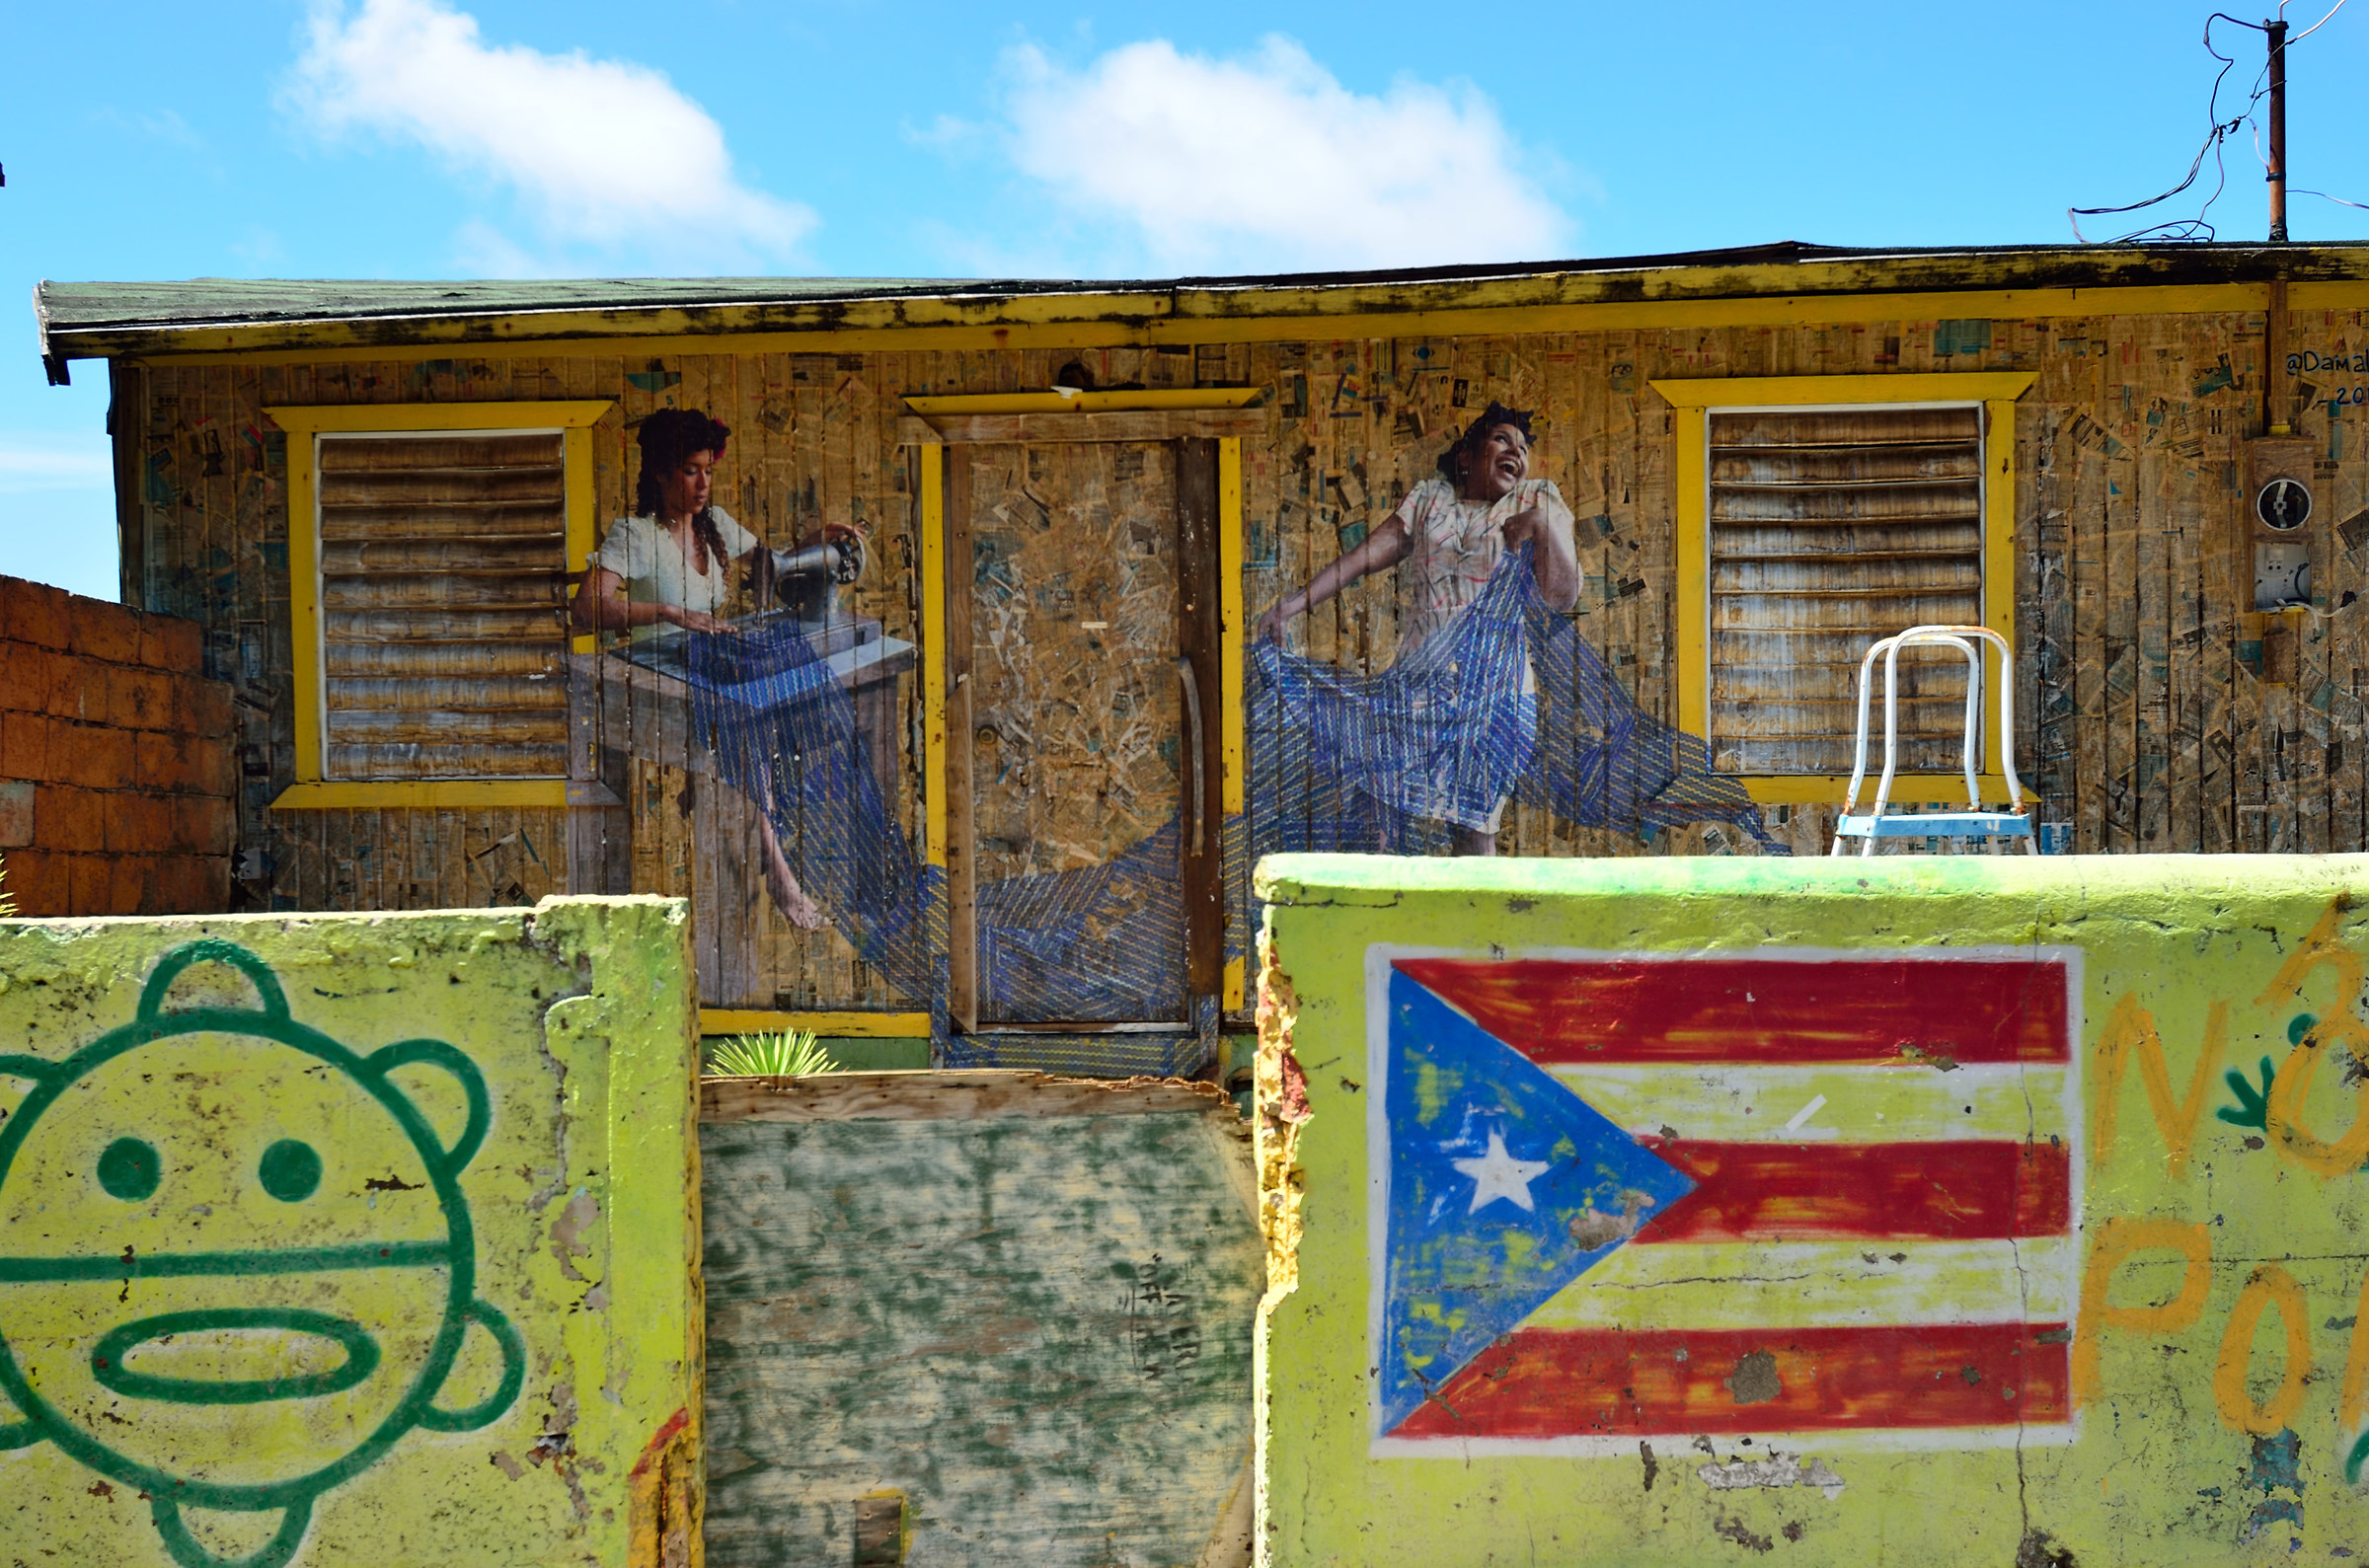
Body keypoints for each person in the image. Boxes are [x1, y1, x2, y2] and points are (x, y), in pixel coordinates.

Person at [1254, 402, 1582, 854]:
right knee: (1377, 824)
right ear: (1466, 455)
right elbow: (1363, 558)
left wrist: (1542, 526)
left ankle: (1478, 926)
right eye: (1502, 439)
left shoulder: (1537, 499)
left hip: (1494, 698)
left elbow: (1562, 597)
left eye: (1522, 447)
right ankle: (1383, 923)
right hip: (1414, 691)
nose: (1517, 452)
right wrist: (1291, 605)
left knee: (1473, 832)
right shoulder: (1431, 500)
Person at [571, 409, 850, 929]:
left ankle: (784, 844)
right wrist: (671, 612)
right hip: (659, 672)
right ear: (658, 473)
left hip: (708, 659)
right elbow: (587, 609)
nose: (703, 483)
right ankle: (777, 865)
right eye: (690, 470)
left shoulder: (715, 526)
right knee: (747, 714)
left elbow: (771, 563)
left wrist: (817, 539)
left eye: (708, 470)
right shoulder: (636, 535)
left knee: (782, 681)